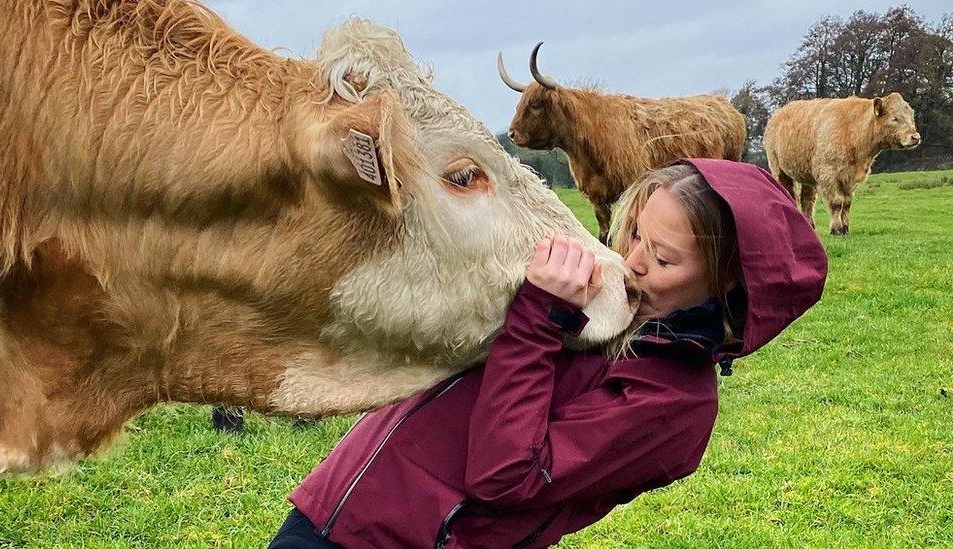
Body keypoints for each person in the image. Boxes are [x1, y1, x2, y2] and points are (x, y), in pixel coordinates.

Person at [268, 159, 828, 548]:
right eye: (632, 232)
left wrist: (539, 316)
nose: (630, 261)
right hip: (337, 503)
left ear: (727, 280)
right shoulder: (598, 300)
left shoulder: (676, 403)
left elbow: (508, 477)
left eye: (662, 258)